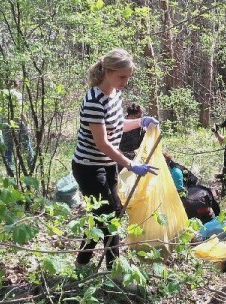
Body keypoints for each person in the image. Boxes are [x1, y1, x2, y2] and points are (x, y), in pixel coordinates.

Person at [72, 48, 159, 270]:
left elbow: (117, 125)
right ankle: (116, 270)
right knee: (108, 219)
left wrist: (140, 122)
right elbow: (102, 143)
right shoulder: (93, 101)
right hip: (88, 167)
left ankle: (82, 262)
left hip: (108, 164)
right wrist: (130, 164)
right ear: (108, 72)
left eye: (128, 77)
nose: (125, 82)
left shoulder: (114, 95)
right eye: (122, 77)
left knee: (107, 214)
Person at [1, 79, 34, 173]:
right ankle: (31, 166)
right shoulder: (18, 94)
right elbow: (21, 111)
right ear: (17, 84)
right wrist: (27, 123)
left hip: (4, 122)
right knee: (26, 144)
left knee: (8, 146)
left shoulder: (2, 94)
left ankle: (10, 168)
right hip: (17, 122)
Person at [118, 103, 145, 170]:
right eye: (138, 116)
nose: (140, 119)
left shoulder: (142, 129)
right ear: (131, 115)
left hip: (135, 160)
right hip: (119, 159)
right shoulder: (119, 125)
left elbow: (143, 145)